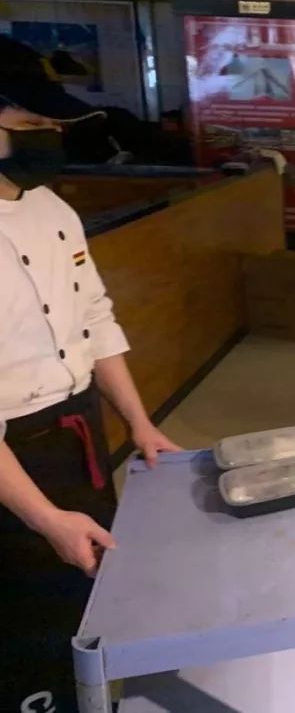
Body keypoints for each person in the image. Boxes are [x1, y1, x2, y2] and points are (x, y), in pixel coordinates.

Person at [0, 35, 181, 712]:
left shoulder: (53, 209)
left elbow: (95, 320)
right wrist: (45, 517)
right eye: (32, 123)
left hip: (77, 429)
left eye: (54, 123)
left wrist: (138, 423)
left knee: (90, 587)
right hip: (11, 457)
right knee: (28, 616)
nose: (50, 136)